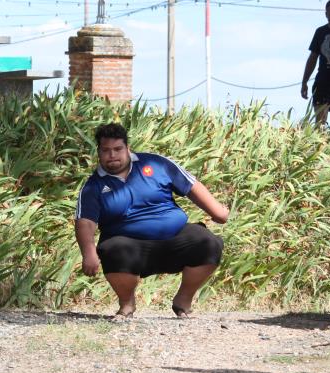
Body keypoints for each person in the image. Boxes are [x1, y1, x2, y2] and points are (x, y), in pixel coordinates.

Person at [74, 123, 229, 320]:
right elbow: (84, 221)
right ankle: (127, 304)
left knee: (209, 243)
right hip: (128, 245)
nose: (112, 155)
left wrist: (218, 212)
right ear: (99, 153)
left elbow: (191, 186)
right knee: (112, 249)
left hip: (175, 238)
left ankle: (183, 300)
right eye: (106, 150)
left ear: (128, 149)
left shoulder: (156, 164)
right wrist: (88, 253)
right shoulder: (93, 186)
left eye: (117, 149)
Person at [301, 0, 330, 137]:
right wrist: (304, 81)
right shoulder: (320, 32)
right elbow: (313, 58)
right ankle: (318, 151)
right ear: (325, 14)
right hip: (323, 81)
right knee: (320, 121)